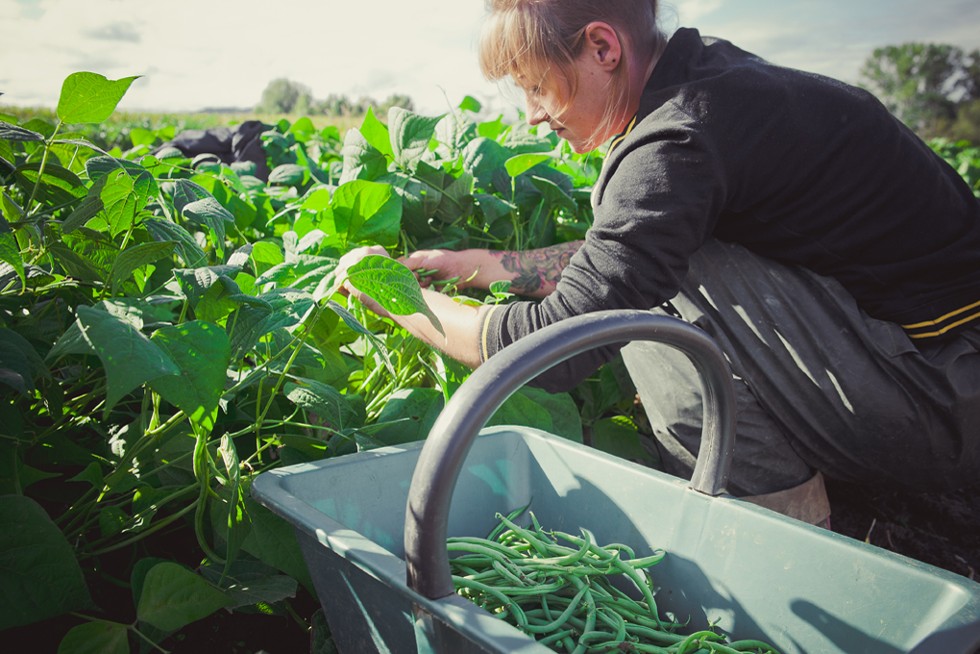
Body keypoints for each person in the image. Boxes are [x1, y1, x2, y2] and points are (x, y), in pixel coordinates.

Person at [336, 0, 980, 525]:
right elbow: (631, 250)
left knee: (635, 313)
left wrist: (396, 298)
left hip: (948, 391)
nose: (532, 114)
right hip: (937, 361)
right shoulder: (711, 89)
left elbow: (558, 343)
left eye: (536, 85)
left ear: (602, 48)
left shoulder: (678, 138)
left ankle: (776, 535)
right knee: (650, 274)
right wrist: (481, 265)